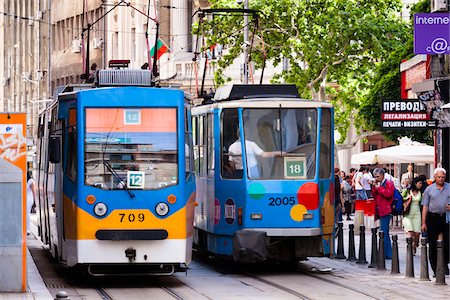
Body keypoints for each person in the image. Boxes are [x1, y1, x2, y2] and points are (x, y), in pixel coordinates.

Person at [421, 167, 450, 276]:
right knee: (432, 244)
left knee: (447, 242)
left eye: (443, 177)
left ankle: (444, 264)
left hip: (446, 217)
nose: (441, 179)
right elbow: (425, 206)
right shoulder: (429, 189)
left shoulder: (449, 187)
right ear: (435, 177)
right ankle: (435, 268)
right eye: (439, 177)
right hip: (432, 217)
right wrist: (423, 222)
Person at [371, 168, 394, 259]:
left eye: (377, 176)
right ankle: (387, 253)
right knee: (384, 232)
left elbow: (388, 194)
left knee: (383, 231)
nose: (376, 178)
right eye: (375, 177)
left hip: (386, 210)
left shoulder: (389, 183)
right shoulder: (379, 184)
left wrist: (379, 188)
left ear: (382, 175)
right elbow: (374, 195)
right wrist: (374, 187)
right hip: (379, 209)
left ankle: (384, 252)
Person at [402, 177, 422, 254]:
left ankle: (415, 244)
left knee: (417, 233)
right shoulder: (407, 191)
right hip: (408, 214)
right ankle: (410, 248)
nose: (420, 185)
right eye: (419, 183)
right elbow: (401, 198)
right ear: (415, 183)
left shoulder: (421, 192)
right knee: (410, 232)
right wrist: (406, 197)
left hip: (417, 214)